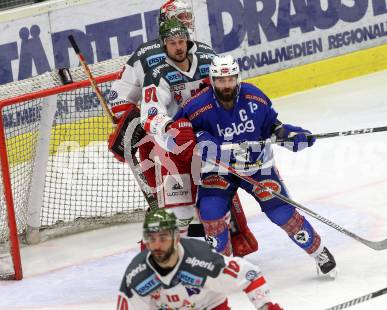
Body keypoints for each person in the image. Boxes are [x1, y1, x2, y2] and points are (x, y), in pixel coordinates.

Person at [107, 0, 257, 256]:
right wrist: (143, 123)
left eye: (189, 17)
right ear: (164, 23)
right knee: (176, 207)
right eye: (180, 16)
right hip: (167, 144)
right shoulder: (145, 56)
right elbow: (118, 99)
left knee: (216, 195)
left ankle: (223, 241)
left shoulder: (205, 55)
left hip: (204, 140)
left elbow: (223, 94)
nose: (187, 21)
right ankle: (161, 252)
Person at [173, 55, 337, 276]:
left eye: (230, 79)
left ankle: (319, 252)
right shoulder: (196, 107)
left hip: (258, 166)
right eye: (221, 81)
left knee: (282, 213)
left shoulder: (254, 97)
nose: (226, 85)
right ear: (212, 80)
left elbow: (273, 127)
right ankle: (225, 269)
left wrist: (290, 135)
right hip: (219, 171)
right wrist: (198, 140)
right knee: (210, 214)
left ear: (237, 77)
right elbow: (175, 133)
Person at [117, 208, 283, 310]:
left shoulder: (202, 260)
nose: (157, 245)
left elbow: (250, 275)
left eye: (163, 237)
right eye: (151, 239)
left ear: (176, 238)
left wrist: (266, 306)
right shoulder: (136, 275)